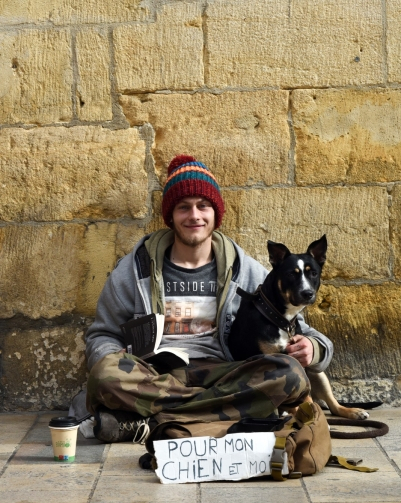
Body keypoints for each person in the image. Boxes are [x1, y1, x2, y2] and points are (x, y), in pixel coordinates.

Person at [85, 155, 333, 443]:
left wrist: (314, 349)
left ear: (216, 214)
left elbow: (301, 330)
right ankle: (220, 414)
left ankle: (151, 420)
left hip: (225, 375)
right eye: (183, 207)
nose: (194, 216)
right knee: (104, 373)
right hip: (154, 377)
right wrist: (112, 359)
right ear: (170, 215)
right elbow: (102, 335)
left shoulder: (246, 271)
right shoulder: (134, 270)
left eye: (203, 206)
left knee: (289, 373)